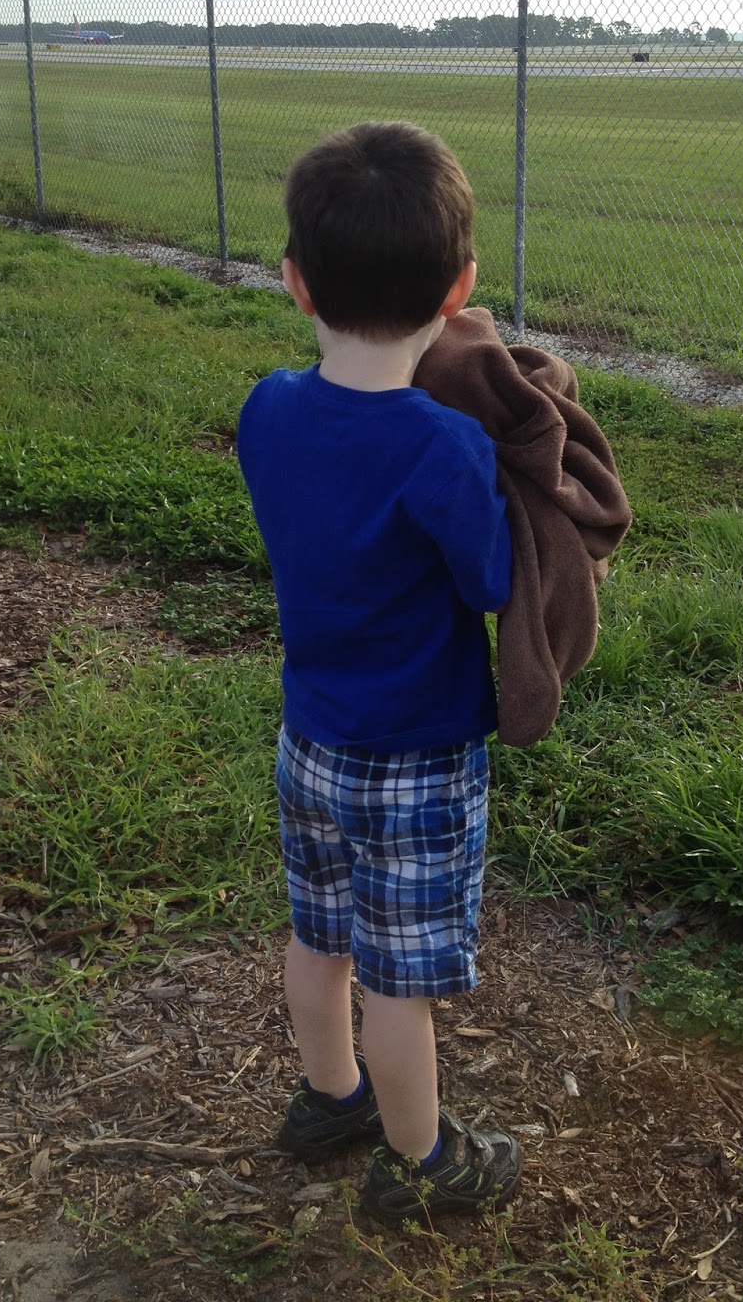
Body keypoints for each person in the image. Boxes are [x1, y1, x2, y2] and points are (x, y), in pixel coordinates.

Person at [236, 120, 523, 1223]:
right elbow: (491, 581)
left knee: (320, 939)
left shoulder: (268, 408)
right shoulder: (444, 446)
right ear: (461, 288)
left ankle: (330, 1098)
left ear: (295, 282)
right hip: (417, 762)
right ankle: (421, 1161)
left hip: (309, 741)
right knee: (402, 982)